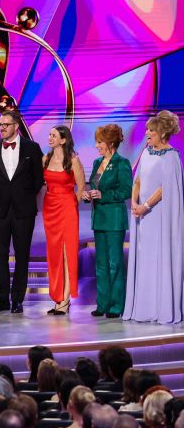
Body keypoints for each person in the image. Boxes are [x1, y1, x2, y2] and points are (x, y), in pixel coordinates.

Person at [124, 110, 184, 324]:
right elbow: (138, 180)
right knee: (145, 257)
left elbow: (165, 188)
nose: (147, 133)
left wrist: (146, 206)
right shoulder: (147, 153)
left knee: (159, 256)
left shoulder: (172, 156)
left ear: (162, 133)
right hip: (142, 215)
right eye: (147, 129)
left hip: (159, 216)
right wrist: (134, 202)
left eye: (151, 130)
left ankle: (161, 307)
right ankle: (144, 306)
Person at [0, 110, 44, 314]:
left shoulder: (32, 148)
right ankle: (2, 299)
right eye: (0, 125)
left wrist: (23, 195)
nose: (1, 128)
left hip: (23, 210)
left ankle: (17, 299)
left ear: (16, 126)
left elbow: (38, 179)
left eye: (5, 125)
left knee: (22, 255)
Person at [82, 124, 132, 318]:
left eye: (100, 142)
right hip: (99, 219)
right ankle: (102, 304)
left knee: (114, 263)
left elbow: (126, 190)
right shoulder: (96, 163)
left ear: (111, 143)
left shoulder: (122, 163)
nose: (97, 146)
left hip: (114, 220)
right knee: (100, 264)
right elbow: (95, 187)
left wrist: (104, 194)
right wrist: (90, 195)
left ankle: (116, 305)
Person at [42, 125, 85, 315]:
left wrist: (71, 206)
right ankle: (57, 297)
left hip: (67, 206)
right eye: (49, 135)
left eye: (54, 135)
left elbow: (81, 187)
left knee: (68, 252)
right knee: (54, 253)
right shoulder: (46, 159)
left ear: (63, 140)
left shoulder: (73, 160)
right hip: (49, 207)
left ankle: (65, 300)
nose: (50, 138)